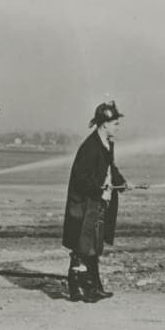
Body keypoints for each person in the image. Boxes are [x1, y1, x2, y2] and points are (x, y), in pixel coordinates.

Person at [62, 101, 128, 302]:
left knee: (93, 244)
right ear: (104, 124)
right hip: (85, 204)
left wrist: (122, 183)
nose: (118, 127)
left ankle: (92, 286)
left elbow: (109, 168)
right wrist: (101, 188)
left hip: (96, 202)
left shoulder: (105, 144)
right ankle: (84, 288)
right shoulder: (90, 147)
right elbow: (82, 179)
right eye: (115, 123)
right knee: (86, 245)